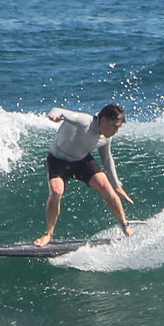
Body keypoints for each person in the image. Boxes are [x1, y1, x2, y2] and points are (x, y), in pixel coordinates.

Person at [34, 103, 133, 247]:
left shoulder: (106, 136)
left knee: (106, 186)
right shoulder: (84, 121)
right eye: (115, 126)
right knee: (56, 191)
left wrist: (117, 184)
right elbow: (60, 110)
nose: (116, 131)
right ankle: (48, 234)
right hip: (58, 159)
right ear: (104, 120)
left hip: (81, 160)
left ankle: (125, 226)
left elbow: (106, 158)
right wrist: (54, 116)